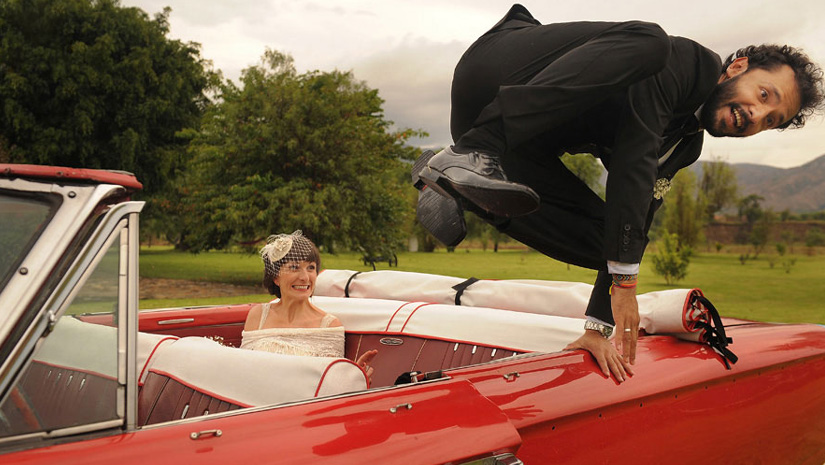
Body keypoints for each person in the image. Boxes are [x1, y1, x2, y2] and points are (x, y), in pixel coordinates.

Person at [413, 4, 824, 382]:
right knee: (651, 42)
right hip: (498, 72)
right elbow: (634, 163)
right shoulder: (686, 64)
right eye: (763, 95)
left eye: (770, 120)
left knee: (611, 244)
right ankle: (474, 152)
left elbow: (635, 221)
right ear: (737, 67)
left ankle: (457, 184)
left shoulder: (684, 144)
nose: (755, 115)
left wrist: (598, 327)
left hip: (514, 145)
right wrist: (625, 284)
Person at [241, 231, 378, 379]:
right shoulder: (258, 315)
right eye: (294, 267)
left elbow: (330, 383)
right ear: (275, 277)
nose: (305, 277)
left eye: (311, 268)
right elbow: (242, 368)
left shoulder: (328, 325)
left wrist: (352, 377)